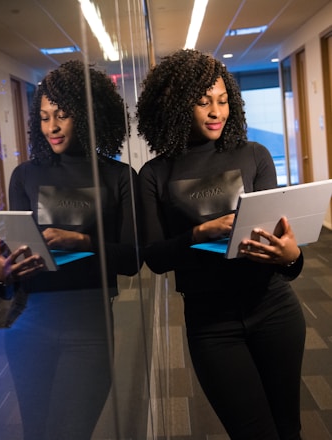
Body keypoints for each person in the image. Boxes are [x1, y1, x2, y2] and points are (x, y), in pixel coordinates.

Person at [136, 49, 306, 440]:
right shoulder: (155, 174)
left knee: (288, 429)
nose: (216, 111)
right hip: (212, 324)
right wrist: (198, 234)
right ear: (177, 106)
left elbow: (283, 248)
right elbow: (155, 258)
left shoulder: (254, 155)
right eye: (202, 102)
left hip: (275, 308)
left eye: (223, 100)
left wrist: (292, 257)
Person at [0, 59, 140, 439]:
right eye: (43, 117)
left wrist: (84, 242)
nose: (51, 127)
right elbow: (14, 270)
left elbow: (133, 259)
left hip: (88, 327)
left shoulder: (119, 177)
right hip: (28, 323)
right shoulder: (25, 175)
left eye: (62, 115)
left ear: (89, 116)